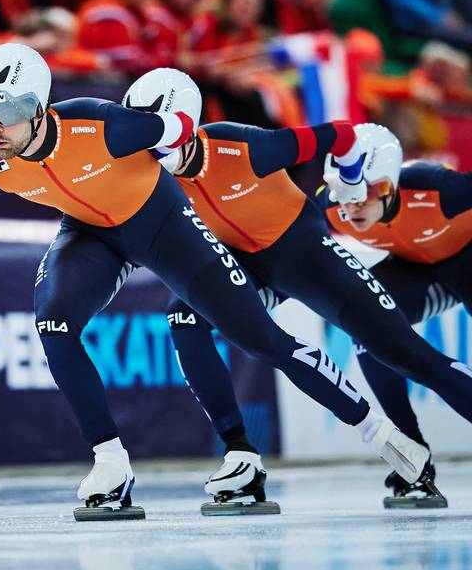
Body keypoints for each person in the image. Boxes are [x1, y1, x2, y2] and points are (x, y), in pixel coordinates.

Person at [0, 43, 427, 518]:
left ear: (39, 107)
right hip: (90, 234)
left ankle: (382, 434)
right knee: (54, 324)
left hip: (163, 225)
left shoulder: (104, 125)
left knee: (260, 339)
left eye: (7, 111)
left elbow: (182, 125)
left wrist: (166, 142)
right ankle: (111, 462)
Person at [125, 70, 472, 506]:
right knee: (183, 316)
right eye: (143, 140)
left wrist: (348, 176)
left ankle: (411, 452)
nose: (152, 151)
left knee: (410, 356)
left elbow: (342, 133)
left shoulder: (248, 146)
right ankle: (240, 454)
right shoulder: (143, 173)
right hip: (241, 264)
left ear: (189, 126)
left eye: (162, 138)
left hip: (303, 255)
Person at [318, 124, 472, 502]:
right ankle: (413, 456)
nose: (352, 207)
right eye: (343, 193)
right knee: (365, 325)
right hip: (413, 269)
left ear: (390, 185)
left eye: (365, 195)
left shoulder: (441, 190)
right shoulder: (328, 208)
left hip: (467, 260)